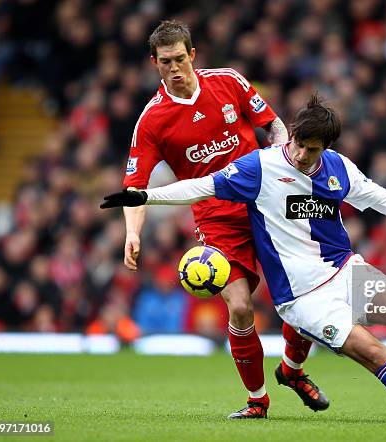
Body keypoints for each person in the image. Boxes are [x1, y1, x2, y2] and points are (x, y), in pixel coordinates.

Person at [104, 94, 386, 423]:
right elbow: (202, 187)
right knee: (377, 353)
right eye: (299, 145)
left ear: (327, 148)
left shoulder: (339, 168)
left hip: (344, 270)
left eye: (314, 150)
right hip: (303, 297)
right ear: (290, 136)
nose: (304, 155)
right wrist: (144, 196)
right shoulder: (260, 167)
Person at [121, 20, 327, 419]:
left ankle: (293, 370)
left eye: (180, 58)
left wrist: (284, 163)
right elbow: (135, 186)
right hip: (216, 220)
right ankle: (257, 401)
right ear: (154, 63)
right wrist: (132, 232)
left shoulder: (228, 82)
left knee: (305, 298)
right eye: (166, 62)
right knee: (239, 308)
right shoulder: (152, 120)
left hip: (266, 204)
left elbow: (273, 126)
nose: (175, 68)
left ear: (192, 55)